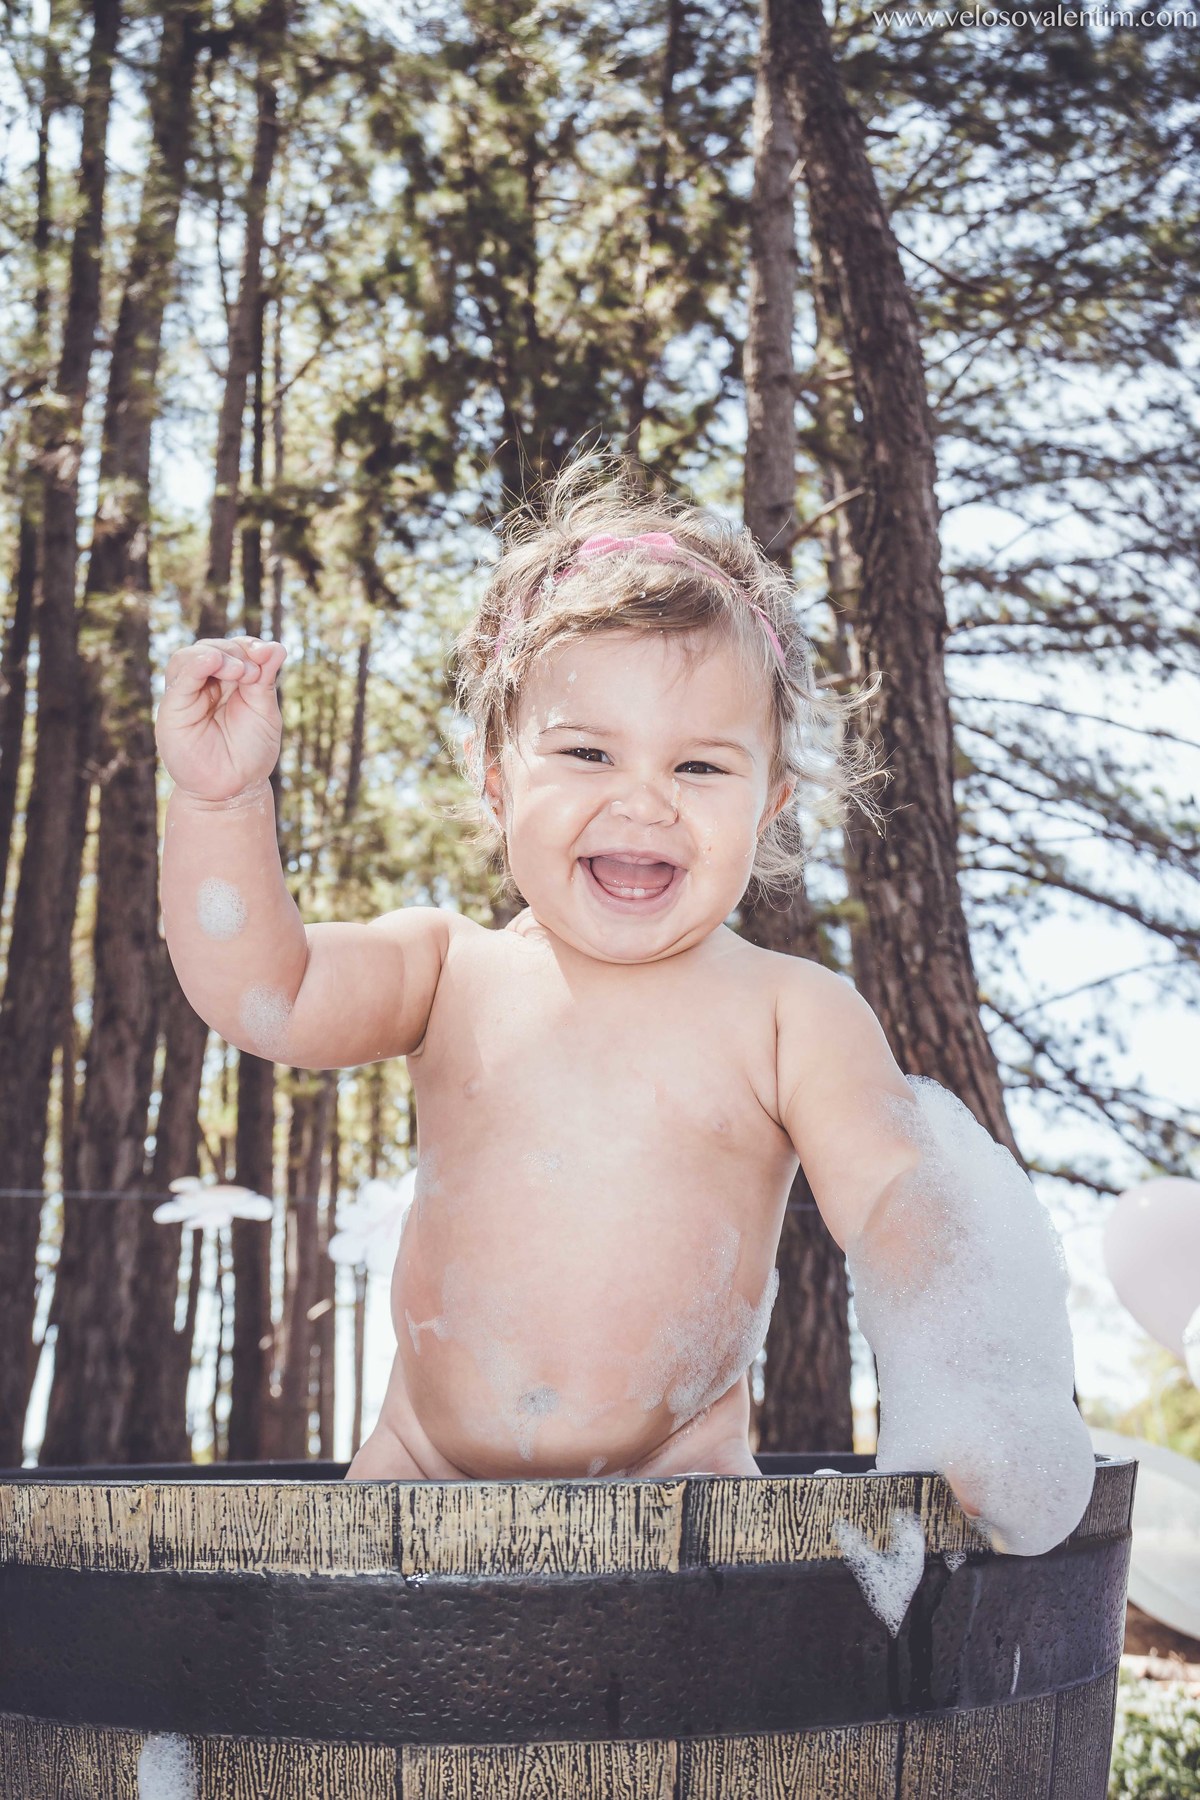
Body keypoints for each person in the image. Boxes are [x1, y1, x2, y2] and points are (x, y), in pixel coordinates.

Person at [155, 466, 1094, 1554]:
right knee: (354, 1707)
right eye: (587, 752)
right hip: (415, 1471)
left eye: (699, 764)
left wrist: (977, 1384)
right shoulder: (445, 969)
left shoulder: (788, 1011)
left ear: (769, 801)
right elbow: (268, 996)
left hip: (681, 1483)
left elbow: (897, 1196)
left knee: (701, 1712)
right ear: (498, 776)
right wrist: (221, 801)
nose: (642, 799)